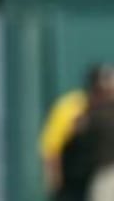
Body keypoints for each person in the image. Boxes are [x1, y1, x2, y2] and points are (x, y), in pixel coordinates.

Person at [54, 63, 114, 201]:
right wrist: (56, 182)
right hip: (82, 182)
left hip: (104, 175)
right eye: (101, 90)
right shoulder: (73, 107)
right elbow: (53, 150)